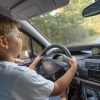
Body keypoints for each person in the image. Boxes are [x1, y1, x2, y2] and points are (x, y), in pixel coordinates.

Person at [0, 14, 77, 100]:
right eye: (18, 36)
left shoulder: (8, 72)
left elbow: (22, 76)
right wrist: (73, 67)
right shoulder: (19, 74)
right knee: (62, 95)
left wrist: (35, 62)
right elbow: (57, 88)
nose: (21, 39)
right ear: (3, 42)